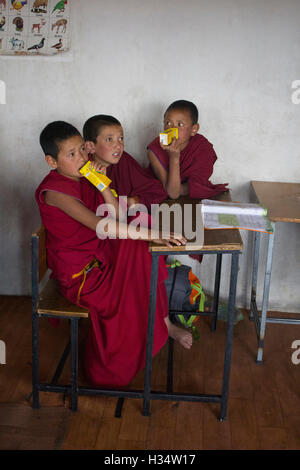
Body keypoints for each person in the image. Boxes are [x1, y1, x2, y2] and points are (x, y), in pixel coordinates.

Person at [35, 121, 192, 388]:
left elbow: (116, 215)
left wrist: (101, 184)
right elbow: (103, 225)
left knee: (140, 248)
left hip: (99, 255)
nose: (81, 159)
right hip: (82, 277)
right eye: (70, 155)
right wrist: (156, 235)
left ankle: (160, 324)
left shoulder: (82, 179)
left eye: (80, 152)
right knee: (142, 247)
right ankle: (109, 369)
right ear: (52, 161)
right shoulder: (55, 192)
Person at [147, 99, 229, 200]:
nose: (172, 129)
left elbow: (198, 183)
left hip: (192, 199)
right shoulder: (154, 149)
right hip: (160, 200)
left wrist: (182, 188)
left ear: (194, 129)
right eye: (168, 123)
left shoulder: (202, 146)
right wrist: (174, 158)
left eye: (180, 125)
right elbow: (172, 193)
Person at [83, 114, 168, 210]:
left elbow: (157, 191)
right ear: (90, 146)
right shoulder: (84, 169)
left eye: (121, 139)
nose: (118, 146)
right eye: (109, 139)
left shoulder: (124, 160)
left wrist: (134, 201)